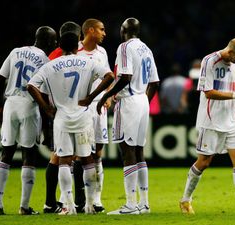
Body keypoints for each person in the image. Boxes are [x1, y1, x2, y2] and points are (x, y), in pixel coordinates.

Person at [27, 32, 114, 215]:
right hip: (83, 117)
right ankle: (90, 205)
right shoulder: (88, 62)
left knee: (64, 161)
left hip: (62, 119)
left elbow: (31, 86)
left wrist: (46, 108)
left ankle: (68, 205)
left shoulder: (51, 65)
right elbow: (109, 76)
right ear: (77, 46)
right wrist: (91, 97)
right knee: (88, 159)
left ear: (60, 45)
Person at [79, 17, 160, 215]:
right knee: (139, 152)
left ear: (123, 29)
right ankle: (144, 203)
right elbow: (155, 82)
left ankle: (131, 205)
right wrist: (143, 104)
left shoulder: (125, 47)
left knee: (127, 152)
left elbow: (125, 77)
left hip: (129, 101)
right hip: (142, 100)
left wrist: (106, 95)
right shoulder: (146, 49)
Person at [179, 38, 235, 215]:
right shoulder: (209, 61)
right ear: (231, 52)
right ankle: (185, 200)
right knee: (204, 162)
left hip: (232, 119)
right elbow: (208, 93)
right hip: (210, 120)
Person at [0, 26, 57, 215]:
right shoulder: (46, 61)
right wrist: (47, 128)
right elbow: (44, 95)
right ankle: (24, 207)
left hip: (10, 104)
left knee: (6, 153)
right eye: (53, 41)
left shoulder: (15, 51)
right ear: (46, 41)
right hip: (30, 106)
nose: (54, 44)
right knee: (29, 155)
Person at [42, 21, 86, 214]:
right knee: (65, 157)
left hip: (56, 110)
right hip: (68, 111)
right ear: (77, 38)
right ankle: (64, 202)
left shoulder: (52, 56)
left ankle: (53, 202)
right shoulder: (76, 56)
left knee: (61, 156)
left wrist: (46, 108)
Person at [76, 18, 111, 213]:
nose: (104, 33)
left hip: (99, 108)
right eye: (101, 29)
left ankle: (97, 199)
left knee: (97, 153)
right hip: (81, 108)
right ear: (91, 30)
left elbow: (108, 76)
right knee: (80, 154)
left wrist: (109, 95)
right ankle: (77, 199)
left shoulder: (102, 52)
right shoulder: (76, 51)